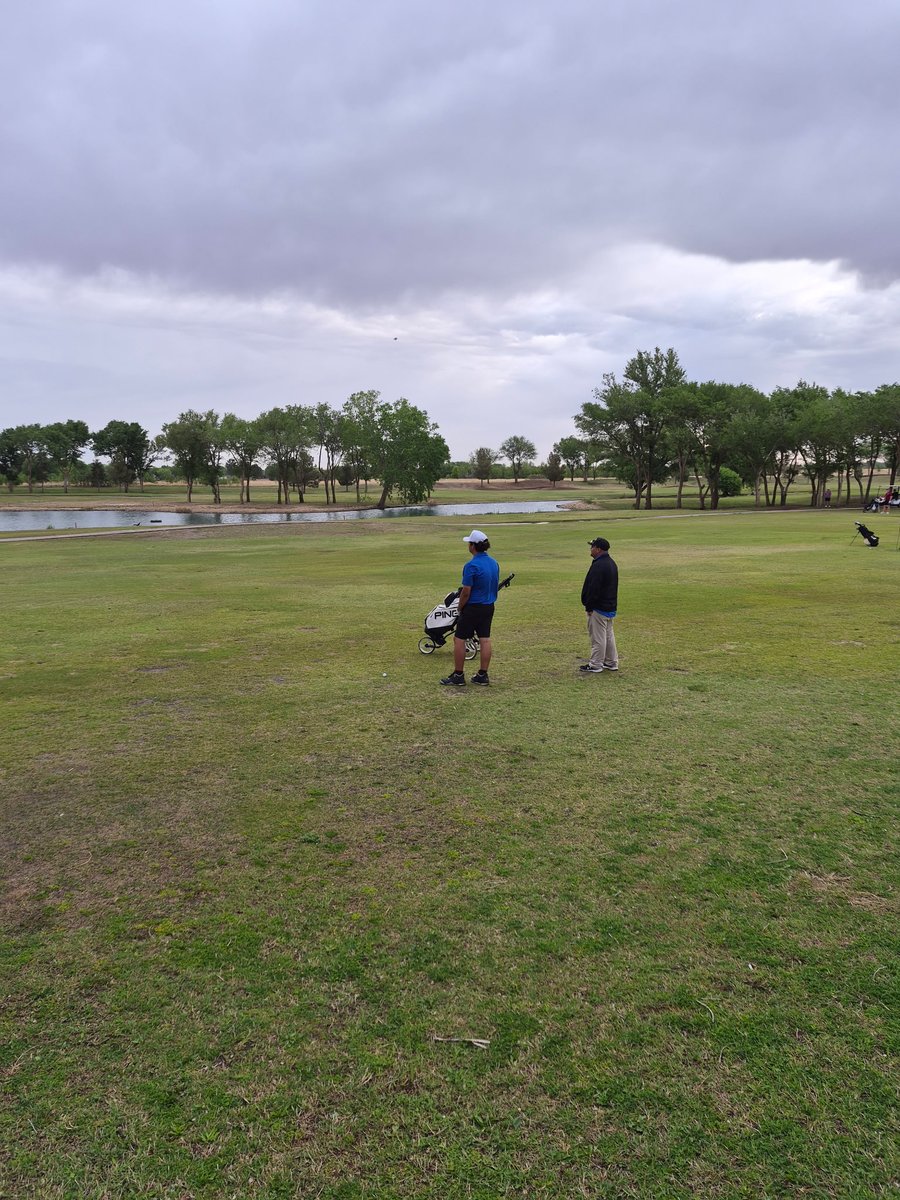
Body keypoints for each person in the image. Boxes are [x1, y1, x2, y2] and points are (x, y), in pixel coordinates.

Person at [440, 530, 500, 687]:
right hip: (489, 606)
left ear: (473, 546)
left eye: (469, 543)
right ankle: (482, 675)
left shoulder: (471, 565)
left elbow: (466, 592)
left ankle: (458, 675)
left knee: (459, 639)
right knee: (484, 639)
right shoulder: (494, 563)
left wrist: (460, 608)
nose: (468, 545)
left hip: (473, 607)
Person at [580, 536, 619, 674]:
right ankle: (611, 662)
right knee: (608, 636)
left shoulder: (599, 565)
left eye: (592, 546)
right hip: (609, 606)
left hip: (599, 608)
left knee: (598, 638)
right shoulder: (611, 563)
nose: (590, 549)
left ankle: (596, 664)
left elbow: (594, 589)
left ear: (598, 549)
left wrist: (589, 606)